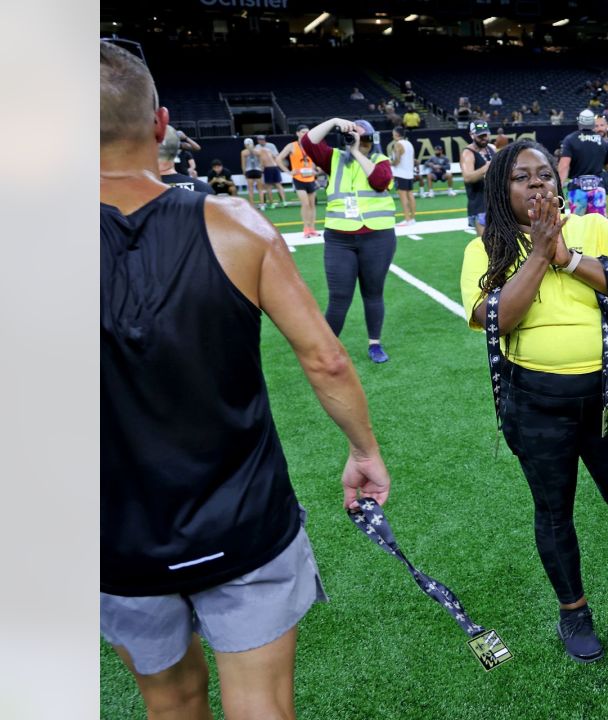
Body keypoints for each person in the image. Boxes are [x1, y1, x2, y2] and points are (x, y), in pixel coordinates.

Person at [100, 40, 392, 720]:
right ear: (159, 123)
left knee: (169, 704)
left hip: (114, 530)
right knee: (261, 705)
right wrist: (363, 452)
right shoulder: (234, 224)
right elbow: (325, 357)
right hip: (243, 517)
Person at [459, 139, 608, 664]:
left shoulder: (594, 228)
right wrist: (539, 251)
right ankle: (574, 610)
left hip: (607, 393)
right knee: (554, 511)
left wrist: (565, 255)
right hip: (535, 403)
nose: (537, 184)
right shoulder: (487, 247)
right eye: (521, 176)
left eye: (545, 174)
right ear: (502, 188)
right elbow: (496, 318)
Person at [301, 118, 398, 364]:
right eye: (352, 134)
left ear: (371, 138)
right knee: (339, 297)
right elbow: (307, 142)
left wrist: (356, 151)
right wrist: (334, 121)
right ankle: (326, 347)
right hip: (339, 238)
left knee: (373, 294)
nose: (356, 137)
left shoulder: (380, 160)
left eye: (362, 134)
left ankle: (374, 344)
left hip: (378, 236)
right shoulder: (333, 158)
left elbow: (379, 181)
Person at [558, 110, 608, 217]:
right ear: (593, 123)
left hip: (578, 189)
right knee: (599, 225)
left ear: (579, 123)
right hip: (597, 189)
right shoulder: (602, 141)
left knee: (579, 225)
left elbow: (564, 166)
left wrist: (558, 187)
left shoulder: (570, 140)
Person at [275, 125, 321, 237]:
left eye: (307, 132)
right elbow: (278, 159)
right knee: (305, 204)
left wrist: (317, 170)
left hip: (310, 178)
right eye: (303, 132)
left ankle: (312, 228)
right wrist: (288, 172)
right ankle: (306, 228)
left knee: (312, 204)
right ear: (297, 133)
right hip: (298, 179)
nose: (305, 134)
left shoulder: (312, 145)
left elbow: (317, 160)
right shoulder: (292, 146)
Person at [461, 121, 498, 236]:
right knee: (485, 245)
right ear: (472, 135)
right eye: (480, 136)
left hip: (496, 202)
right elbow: (467, 177)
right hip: (479, 205)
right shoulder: (468, 153)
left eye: (485, 135)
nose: (484, 138)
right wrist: (486, 168)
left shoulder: (491, 148)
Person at [158, 126, 212, 194]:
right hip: (166, 174)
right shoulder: (159, 146)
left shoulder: (180, 146)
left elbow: (197, 148)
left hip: (182, 174)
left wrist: (186, 138)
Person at [390, 126, 417, 227]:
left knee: (403, 198)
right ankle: (412, 218)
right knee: (410, 195)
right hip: (409, 173)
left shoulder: (398, 144)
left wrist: (390, 163)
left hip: (400, 174)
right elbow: (413, 159)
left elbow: (397, 160)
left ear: (396, 134)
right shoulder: (409, 143)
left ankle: (407, 219)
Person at [256, 136, 288, 209]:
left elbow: (274, 156)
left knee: (275, 185)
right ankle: (273, 203)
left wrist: (261, 168)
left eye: (262, 139)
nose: (261, 141)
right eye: (259, 140)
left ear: (264, 140)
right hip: (271, 167)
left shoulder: (268, 147)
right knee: (270, 186)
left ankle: (283, 201)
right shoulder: (258, 148)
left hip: (271, 167)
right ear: (258, 141)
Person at [240, 137, 264, 207]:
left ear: (245, 145)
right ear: (253, 144)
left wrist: (244, 173)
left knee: (250, 189)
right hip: (257, 171)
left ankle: (252, 205)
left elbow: (243, 164)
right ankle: (262, 205)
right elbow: (261, 163)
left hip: (249, 171)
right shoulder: (258, 151)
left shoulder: (243, 152)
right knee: (260, 189)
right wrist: (261, 171)